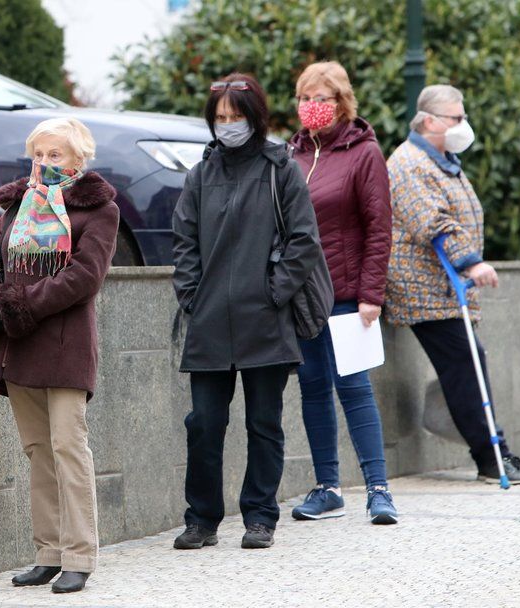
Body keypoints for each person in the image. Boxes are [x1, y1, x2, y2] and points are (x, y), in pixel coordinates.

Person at [171, 73, 323, 551]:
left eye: (236, 117)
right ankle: (202, 520)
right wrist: (192, 296)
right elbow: (184, 243)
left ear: (255, 117)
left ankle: (260, 517)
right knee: (204, 424)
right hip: (210, 321)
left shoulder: (281, 169)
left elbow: (304, 240)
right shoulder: (200, 175)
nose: (227, 126)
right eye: (219, 118)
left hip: (266, 321)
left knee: (264, 422)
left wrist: (273, 293)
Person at [0, 117, 120, 593]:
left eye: (55, 155)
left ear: (77, 159)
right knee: (38, 451)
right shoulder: (18, 205)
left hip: (64, 344)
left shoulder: (98, 211)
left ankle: (79, 555)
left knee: (68, 448)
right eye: (39, 154)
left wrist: (19, 305)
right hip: (17, 346)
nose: (44, 164)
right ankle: (48, 553)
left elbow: (84, 277)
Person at [384, 84, 520, 485]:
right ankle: (492, 457)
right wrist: (471, 262)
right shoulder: (409, 163)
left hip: (446, 286)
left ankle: (483, 445)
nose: (463, 125)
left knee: (467, 364)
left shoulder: (442, 160)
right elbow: (431, 222)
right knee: (466, 363)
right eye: (457, 118)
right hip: (424, 288)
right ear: (430, 120)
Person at [287, 62, 398, 524]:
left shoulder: (363, 152)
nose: (313, 107)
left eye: (323, 98)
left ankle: (379, 490)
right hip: (302, 296)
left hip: (349, 294)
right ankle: (327, 487)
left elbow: (379, 226)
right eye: (305, 98)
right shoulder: (288, 155)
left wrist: (372, 293)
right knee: (312, 390)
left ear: (342, 102)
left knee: (354, 389)